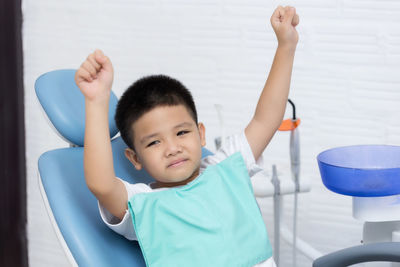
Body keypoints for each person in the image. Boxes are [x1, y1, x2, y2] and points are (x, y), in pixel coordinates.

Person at [75, 5, 299, 267]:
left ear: (200, 133)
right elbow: (101, 184)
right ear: (135, 158)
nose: (172, 148)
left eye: (181, 132)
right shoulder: (143, 204)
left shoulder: (226, 168)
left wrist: (286, 46)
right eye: (154, 142)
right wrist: (97, 100)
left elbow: (266, 120)